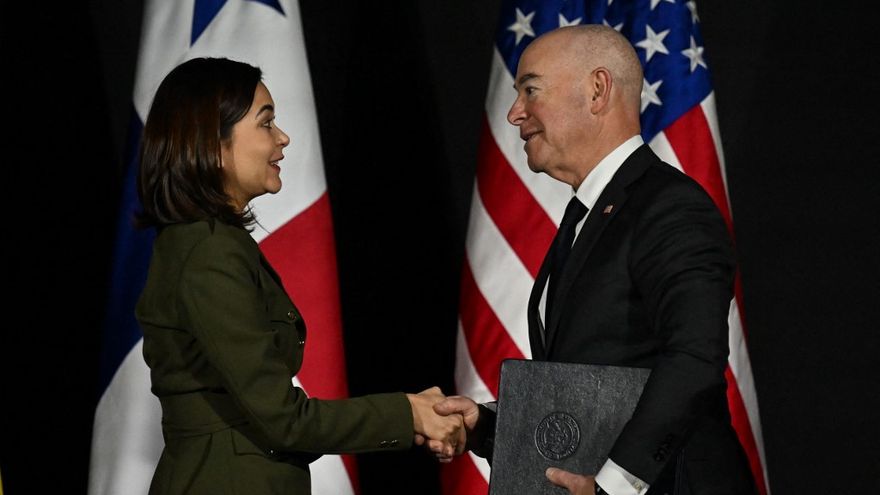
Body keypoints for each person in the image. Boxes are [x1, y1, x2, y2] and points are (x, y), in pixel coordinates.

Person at [433, 25, 758, 495]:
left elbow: (694, 359)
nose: (514, 112)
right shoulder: (588, 215)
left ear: (598, 90)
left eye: (530, 90)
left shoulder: (670, 207)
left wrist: (615, 486)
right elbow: (589, 386)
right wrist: (486, 426)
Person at [135, 57, 462, 494]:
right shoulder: (208, 251)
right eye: (266, 123)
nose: (283, 138)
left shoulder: (209, 242)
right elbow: (284, 421)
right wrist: (409, 414)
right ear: (213, 143)